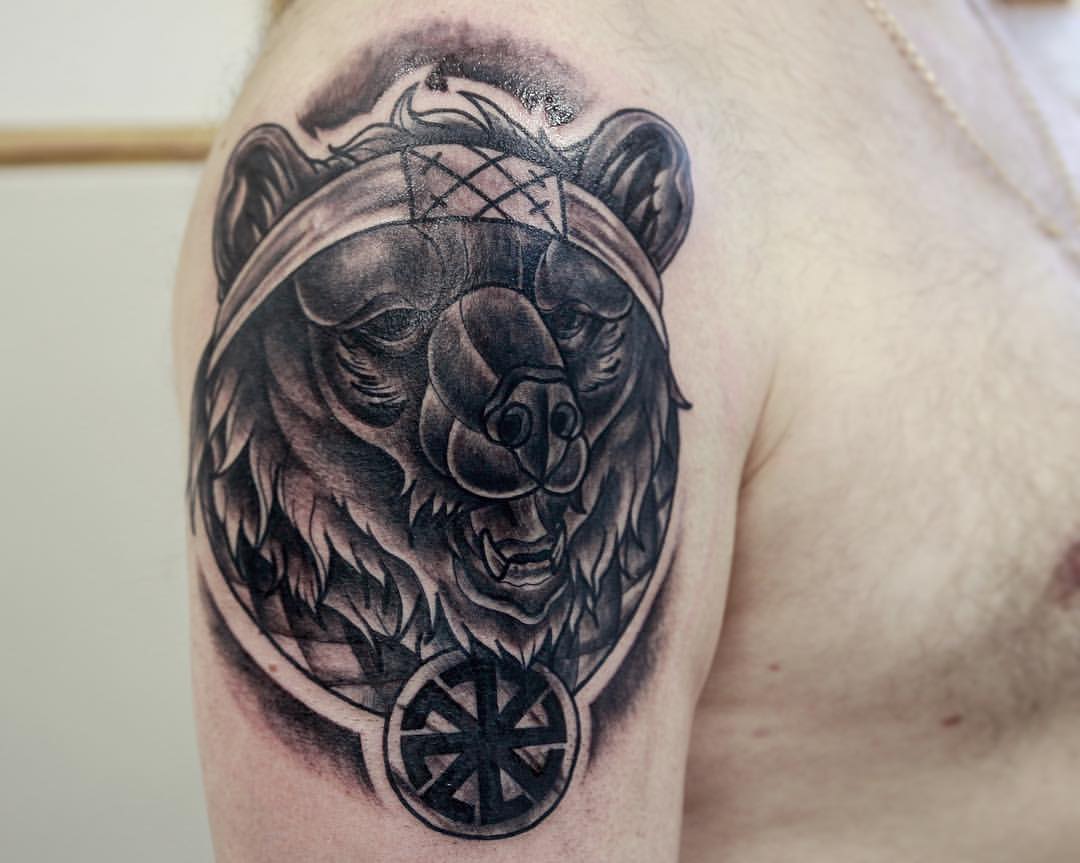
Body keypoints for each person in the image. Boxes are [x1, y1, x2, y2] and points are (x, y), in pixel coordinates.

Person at [173, 1, 1080, 859]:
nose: (533, 400)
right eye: (390, 327)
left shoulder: (1002, 31)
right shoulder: (562, 51)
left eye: (572, 323)